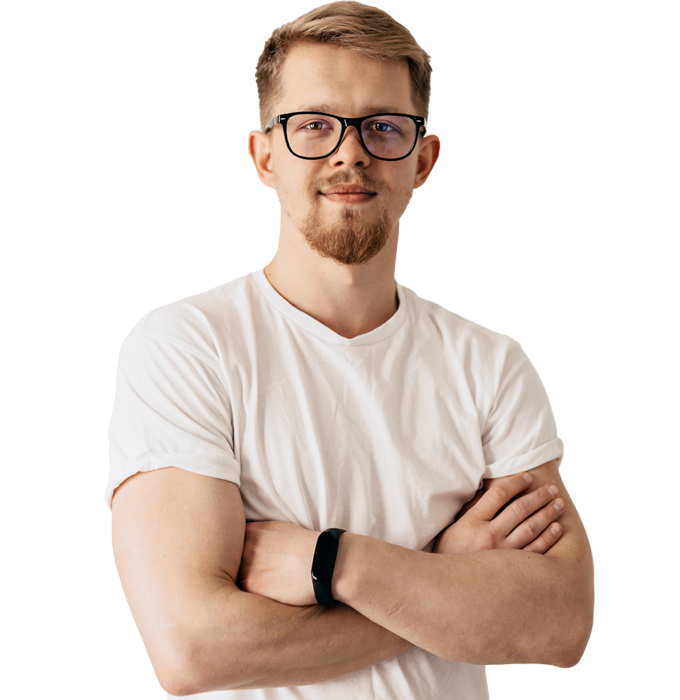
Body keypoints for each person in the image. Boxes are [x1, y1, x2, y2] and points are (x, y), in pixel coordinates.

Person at [106, 3, 594, 698]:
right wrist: (445, 573)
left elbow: (560, 624)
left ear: (423, 160)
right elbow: (192, 649)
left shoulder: (489, 368)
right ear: (264, 156)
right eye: (314, 124)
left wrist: (334, 563)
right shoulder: (188, 351)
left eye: (383, 126)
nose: (350, 153)